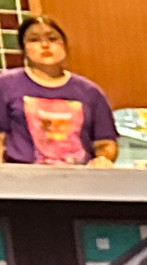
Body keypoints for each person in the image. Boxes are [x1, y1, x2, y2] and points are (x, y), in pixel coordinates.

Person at [1, 16, 118, 164]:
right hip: (23, 179)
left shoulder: (90, 92)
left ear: (64, 45)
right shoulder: (6, 85)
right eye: (34, 39)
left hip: (79, 180)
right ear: (23, 48)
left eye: (52, 38)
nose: (44, 45)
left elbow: (105, 143)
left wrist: (103, 159)